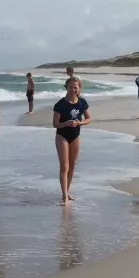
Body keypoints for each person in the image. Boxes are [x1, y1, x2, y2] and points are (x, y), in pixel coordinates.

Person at [53, 77, 91, 205]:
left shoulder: (82, 102)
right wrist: (66, 123)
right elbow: (55, 124)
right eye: (70, 87)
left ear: (79, 88)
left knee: (73, 165)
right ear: (66, 87)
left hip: (75, 136)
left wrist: (80, 122)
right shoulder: (60, 104)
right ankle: (64, 195)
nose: (73, 89)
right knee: (64, 166)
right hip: (62, 136)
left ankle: (67, 191)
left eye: (75, 87)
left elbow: (88, 119)